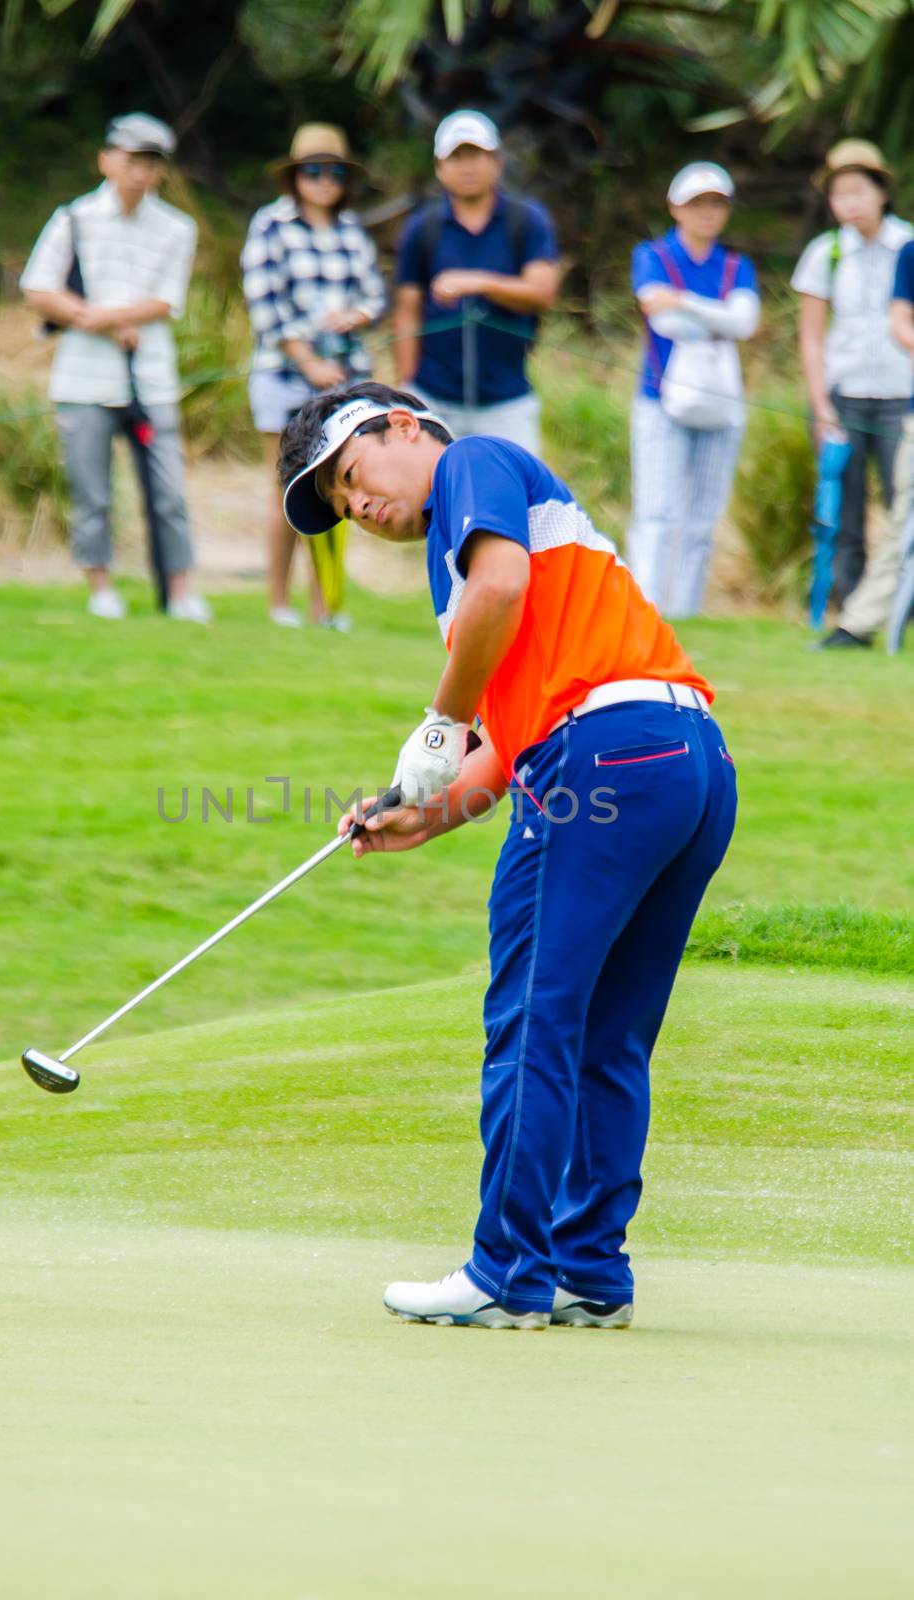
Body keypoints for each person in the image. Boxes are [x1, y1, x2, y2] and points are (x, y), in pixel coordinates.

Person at [279, 381, 737, 1331]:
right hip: (682, 764)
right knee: (608, 1032)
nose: (358, 508)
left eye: (353, 476)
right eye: (340, 507)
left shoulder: (471, 466)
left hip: (608, 753)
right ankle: (586, 1271)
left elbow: (503, 597)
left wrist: (439, 722)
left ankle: (507, 1270)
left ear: (403, 425)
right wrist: (428, 812)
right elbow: (515, 743)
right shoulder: (467, 563)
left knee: (532, 1016)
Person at [21, 113, 209, 622]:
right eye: (131, 162)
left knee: (168, 490)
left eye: (151, 164)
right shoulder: (74, 218)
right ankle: (101, 586)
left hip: (150, 378)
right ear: (106, 160)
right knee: (92, 491)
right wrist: (98, 322)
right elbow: (38, 287)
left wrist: (102, 317)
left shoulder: (176, 227)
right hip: (82, 379)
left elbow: (166, 301)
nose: (140, 175)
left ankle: (181, 591)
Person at [242, 124, 386, 630]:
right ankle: (279, 603)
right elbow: (265, 307)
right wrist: (308, 361)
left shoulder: (350, 231)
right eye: (313, 171)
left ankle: (325, 605)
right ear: (296, 176)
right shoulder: (270, 226)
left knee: (338, 491)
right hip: (283, 376)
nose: (324, 181)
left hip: (343, 383)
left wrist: (357, 317)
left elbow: (373, 295)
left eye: (333, 172)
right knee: (285, 489)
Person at [628, 162, 759, 618]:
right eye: (696, 203)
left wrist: (683, 300)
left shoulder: (735, 265)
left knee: (701, 520)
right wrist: (715, 314)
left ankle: (685, 613)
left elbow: (745, 322)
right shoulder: (652, 255)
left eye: (716, 204)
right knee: (657, 513)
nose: (706, 213)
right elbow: (660, 317)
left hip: (720, 405)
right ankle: (646, 612)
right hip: (660, 400)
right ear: (675, 208)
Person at [393, 110, 560, 453]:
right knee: (432, 502)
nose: (467, 166)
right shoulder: (422, 229)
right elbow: (407, 309)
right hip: (433, 397)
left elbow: (542, 293)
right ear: (440, 168)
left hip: (507, 399)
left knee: (516, 501)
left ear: (497, 162)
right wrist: (408, 387)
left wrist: (478, 282)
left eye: (476, 155)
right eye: (456, 157)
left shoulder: (526, 220)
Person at [792, 139, 913, 608]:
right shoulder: (826, 254)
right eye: (840, 193)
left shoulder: (907, 246)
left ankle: (901, 608)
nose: (851, 202)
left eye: (859, 190)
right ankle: (849, 608)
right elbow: (812, 337)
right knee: (844, 512)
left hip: (901, 395)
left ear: (882, 191)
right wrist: (821, 407)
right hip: (843, 396)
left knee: (904, 507)